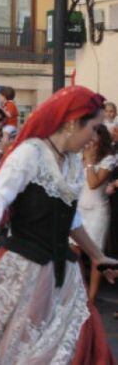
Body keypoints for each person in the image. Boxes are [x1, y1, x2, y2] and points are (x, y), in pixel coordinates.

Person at [0, 86, 118, 364]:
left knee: (70, 348)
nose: (95, 137)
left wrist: (97, 255)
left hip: (64, 274)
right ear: (71, 123)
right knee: (11, 350)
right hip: (22, 269)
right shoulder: (30, 154)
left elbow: (71, 220)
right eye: (93, 128)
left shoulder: (71, 161)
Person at [76, 124, 115, 302]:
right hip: (78, 210)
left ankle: (90, 300)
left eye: (95, 135)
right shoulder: (78, 155)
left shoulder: (109, 158)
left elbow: (93, 183)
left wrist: (90, 161)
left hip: (97, 211)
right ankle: (80, 291)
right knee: (74, 253)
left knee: (96, 256)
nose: (90, 138)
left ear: (102, 137)